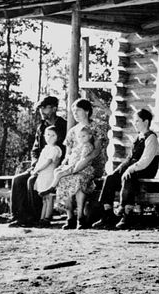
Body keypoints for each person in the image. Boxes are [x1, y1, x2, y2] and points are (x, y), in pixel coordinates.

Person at [91, 108, 159, 230]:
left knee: (128, 176)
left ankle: (126, 214)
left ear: (146, 122)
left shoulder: (151, 138)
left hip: (145, 170)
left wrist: (130, 169)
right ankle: (107, 215)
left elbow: (146, 160)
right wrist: (119, 170)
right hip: (134, 166)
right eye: (134, 121)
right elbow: (130, 158)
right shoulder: (138, 137)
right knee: (110, 178)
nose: (135, 124)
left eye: (137, 121)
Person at [8, 95, 67, 227]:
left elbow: (65, 149)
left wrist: (51, 165)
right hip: (40, 165)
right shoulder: (41, 127)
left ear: (54, 108)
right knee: (18, 180)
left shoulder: (64, 126)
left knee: (32, 182)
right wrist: (35, 164)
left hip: (54, 166)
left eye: (45, 108)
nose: (41, 111)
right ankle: (19, 217)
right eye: (40, 108)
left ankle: (34, 217)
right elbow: (35, 150)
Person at [53, 99, 101, 230]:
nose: (75, 114)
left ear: (86, 111)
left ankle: (81, 217)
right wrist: (64, 164)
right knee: (63, 178)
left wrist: (84, 161)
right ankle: (70, 217)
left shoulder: (95, 128)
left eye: (78, 110)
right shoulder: (72, 131)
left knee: (79, 179)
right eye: (73, 111)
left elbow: (97, 150)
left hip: (90, 165)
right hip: (73, 165)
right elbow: (67, 152)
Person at [29, 126, 63, 227]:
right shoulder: (46, 148)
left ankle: (47, 217)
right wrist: (35, 169)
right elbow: (40, 161)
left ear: (57, 137)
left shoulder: (55, 149)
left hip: (49, 174)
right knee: (44, 198)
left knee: (49, 197)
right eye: (48, 135)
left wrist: (38, 169)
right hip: (43, 175)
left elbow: (48, 162)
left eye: (53, 135)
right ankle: (42, 218)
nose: (50, 137)